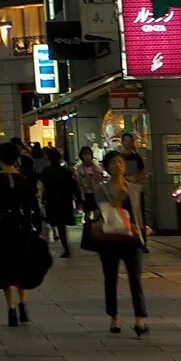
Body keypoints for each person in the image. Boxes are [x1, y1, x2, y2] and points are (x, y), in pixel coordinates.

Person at [0, 140, 43, 326]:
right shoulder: (25, 181)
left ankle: (11, 309)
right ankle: (23, 305)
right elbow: (33, 207)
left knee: (6, 269)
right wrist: (36, 227)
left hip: (1, 229)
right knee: (23, 267)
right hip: (22, 228)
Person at [90, 150, 149, 336]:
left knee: (136, 278)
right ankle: (114, 317)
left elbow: (140, 214)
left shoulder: (134, 188)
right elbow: (105, 213)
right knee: (110, 278)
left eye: (121, 162)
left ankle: (140, 319)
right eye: (114, 162)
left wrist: (143, 235)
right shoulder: (101, 189)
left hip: (131, 239)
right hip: (110, 239)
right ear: (107, 167)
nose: (118, 165)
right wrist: (118, 199)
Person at [38, 148, 78, 257]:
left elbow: (45, 187)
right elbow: (74, 186)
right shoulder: (65, 172)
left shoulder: (46, 171)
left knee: (54, 223)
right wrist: (78, 199)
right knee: (62, 226)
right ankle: (66, 248)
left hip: (52, 202)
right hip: (64, 201)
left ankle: (63, 247)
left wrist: (43, 198)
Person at [118, 132, 149, 246]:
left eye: (130, 141)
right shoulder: (119, 157)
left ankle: (141, 240)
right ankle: (129, 239)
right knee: (126, 214)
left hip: (136, 189)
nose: (128, 143)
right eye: (126, 140)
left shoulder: (137, 157)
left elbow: (142, 173)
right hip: (124, 190)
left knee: (139, 214)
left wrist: (136, 179)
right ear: (122, 142)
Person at [73, 146, 105, 215]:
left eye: (89, 154)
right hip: (85, 194)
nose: (87, 156)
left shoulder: (97, 167)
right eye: (85, 154)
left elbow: (101, 179)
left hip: (96, 193)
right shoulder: (79, 169)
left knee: (97, 213)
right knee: (87, 214)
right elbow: (78, 182)